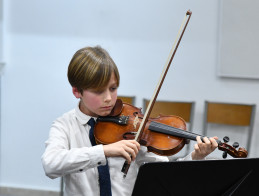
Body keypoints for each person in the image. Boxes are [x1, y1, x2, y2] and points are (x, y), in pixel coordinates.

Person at [41, 46, 218, 196]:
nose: (109, 98)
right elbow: (51, 164)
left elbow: (165, 174)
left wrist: (195, 157)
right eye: (98, 91)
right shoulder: (64, 125)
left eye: (113, 88)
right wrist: (104, 151)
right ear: (77, 92)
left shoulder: (133, 126)